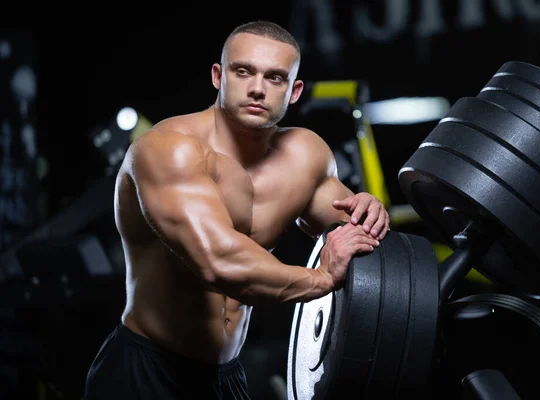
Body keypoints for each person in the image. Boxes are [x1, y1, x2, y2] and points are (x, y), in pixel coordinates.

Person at [84, 20, 390, 400]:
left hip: (225, 377)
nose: (258, 88)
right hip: (146, 371)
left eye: (275, 78)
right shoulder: (169, 150)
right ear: (218, 76)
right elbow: (219, 262)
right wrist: (321, 279)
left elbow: (356, 233)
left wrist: (371, 212)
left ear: (294, 91)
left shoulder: (304, 156)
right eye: (243, 71)